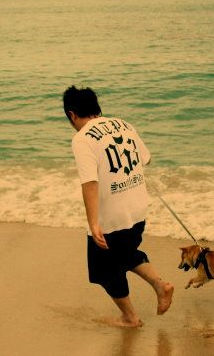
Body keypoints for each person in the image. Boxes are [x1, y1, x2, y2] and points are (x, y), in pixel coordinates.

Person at [63, 85, 174, 328]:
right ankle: (160, 285)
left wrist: (94, 223)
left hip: (112, 218)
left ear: (72, 114)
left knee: (104, 270)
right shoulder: (123, 124)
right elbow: (146, 159)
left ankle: (130, 318)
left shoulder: (82, 139)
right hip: (137, 210)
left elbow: (89, 183)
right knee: (125, 254)